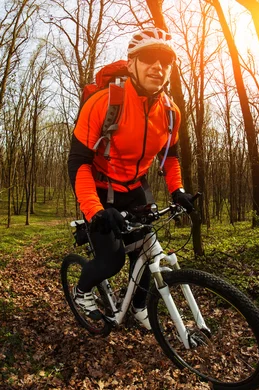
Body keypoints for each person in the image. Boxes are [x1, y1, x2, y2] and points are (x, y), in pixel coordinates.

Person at [67, 27, 194, 330]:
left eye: (166, 61)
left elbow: (171, 157)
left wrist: (177, 189)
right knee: (112, 261)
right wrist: (94, 210)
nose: (158, 67)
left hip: (136, 188)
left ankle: (138, 307)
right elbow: (78, 161)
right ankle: (82, 292)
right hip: (99, 189)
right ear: (132, 62)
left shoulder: (171, 111)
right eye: (149, 58)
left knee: (151, 251)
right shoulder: (104, 102)